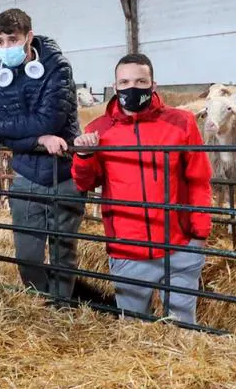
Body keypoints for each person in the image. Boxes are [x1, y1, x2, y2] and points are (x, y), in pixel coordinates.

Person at [72, 53, 212, 324]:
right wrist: (85, 155)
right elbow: (84, 183)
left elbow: (198, 178)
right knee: (135, 329)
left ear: (153, 85)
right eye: (124, 82)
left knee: (184, 328)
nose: (131, 87)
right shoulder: (99, 130)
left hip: (179, 245)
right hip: (129, 247)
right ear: (115, 87)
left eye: (140, 80)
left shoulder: (181, 122)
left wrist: (199, 234)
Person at [0, 8, 85, 300]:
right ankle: (38, 302)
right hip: (25, 173)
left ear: (29, 37)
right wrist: (37, 137)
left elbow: (50, 119)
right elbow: (27, 132)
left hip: (63, 173)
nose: (6, 47)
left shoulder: (57, 68)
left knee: (64, 249)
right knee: (27, 252)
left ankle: (61, 308)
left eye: (12, 39)